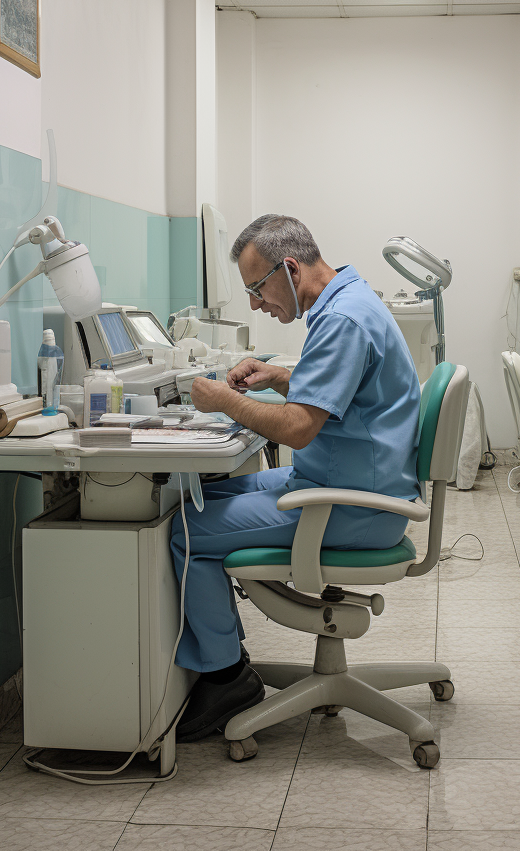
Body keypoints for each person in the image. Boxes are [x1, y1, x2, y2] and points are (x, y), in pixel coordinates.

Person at [169, 214, 422, 742]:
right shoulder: (350, 300)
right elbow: (343, 395)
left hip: (353, 505)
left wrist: (227, 401)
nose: (257, 304)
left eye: (257, 289)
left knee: (186, 532)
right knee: (203, 497)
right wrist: (280, 377)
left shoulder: (342, 321)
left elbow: (300, 429)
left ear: (288, 267)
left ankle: (223, 676)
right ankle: (224, 652)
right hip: (350, 484)